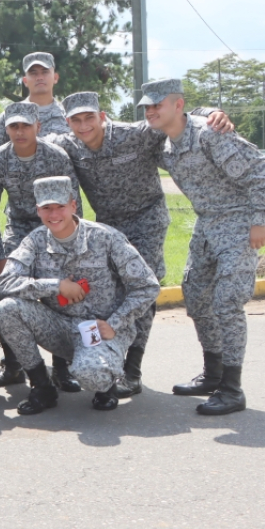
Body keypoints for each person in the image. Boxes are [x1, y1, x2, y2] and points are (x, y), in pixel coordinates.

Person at [48, 91, 231, 397]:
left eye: (89, 118)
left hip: (147, 219)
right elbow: (30, 142)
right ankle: (103, 360)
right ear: (68, 123)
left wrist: (213, 112)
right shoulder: (67, 144)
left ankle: (131, 372)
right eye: (76, 120)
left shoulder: (135, 135)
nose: (83, 126)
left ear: (102, 116)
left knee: (141, 288)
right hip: (108, 224)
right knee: (108, 292)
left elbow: (176, 114)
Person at [141, 78, 265, 415]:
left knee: (226, 302)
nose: (150, 111)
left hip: (239, 223)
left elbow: (264, 175)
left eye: (157, 104)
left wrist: (260, 219)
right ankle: (213, 373)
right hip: (207, 225)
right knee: (196, 294)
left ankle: (232, 389)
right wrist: (209, 109)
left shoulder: (210, 136)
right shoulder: (167, 144)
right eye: (147, 106)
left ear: (177, 104)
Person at [0, 177, 161, 415]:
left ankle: (106, 384)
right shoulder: (35, 241)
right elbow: (6, 282)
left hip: (98, 328)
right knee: (8, 308)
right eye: (46, 208)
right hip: (59, 326)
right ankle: (42, 386)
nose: (54, 214)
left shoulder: (105, 237)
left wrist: (115, 323)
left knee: (92, 375)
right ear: (38, 210)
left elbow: (147, 286)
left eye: (60, 206)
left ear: (73, 206)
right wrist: (56, 286)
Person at [0, 101, 82, 390]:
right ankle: (12, 365)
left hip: (55, 225)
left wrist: (72, 245)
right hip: (19, 227)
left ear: (38, 126)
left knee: (60, 286)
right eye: (14, 126)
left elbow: (75, 205)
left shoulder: (55, 156)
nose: (20, 131)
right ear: (6, 129)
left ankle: (63, 369)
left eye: (26, 125)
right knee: (5, 289)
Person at [0, 52, 70, 150]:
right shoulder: (8, 116)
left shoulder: (70, 115)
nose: (39, 77)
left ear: (55, 78)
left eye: (45, 72)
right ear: (25, 81)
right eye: (33, 73)